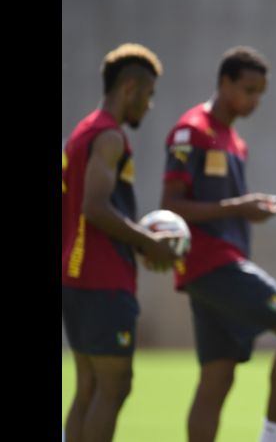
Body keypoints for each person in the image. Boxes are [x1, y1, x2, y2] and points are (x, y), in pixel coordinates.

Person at [161, 46, 276, 442]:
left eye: (260, 91)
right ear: (224, 83)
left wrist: (245, 208)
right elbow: (170, 205)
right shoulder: (192, 131)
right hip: (211, 264)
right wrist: (240, 207)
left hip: (216, 267)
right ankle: (271, 436)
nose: (254, 99)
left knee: (217, 377)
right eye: (248, 89)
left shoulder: (233, 140)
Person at [62, 43, 180, 442]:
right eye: (148, 95)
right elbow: (95, 208)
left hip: (76, 275)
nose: (148, 106)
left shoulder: (82, 131)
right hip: (102, 279)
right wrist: (150, 242)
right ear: (130, 88)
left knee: (89, 388)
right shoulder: (109, 137)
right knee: (114, 387)